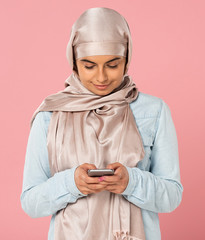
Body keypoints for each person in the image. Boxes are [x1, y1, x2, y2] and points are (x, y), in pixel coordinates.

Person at [20, 7, 183, 240]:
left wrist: (132, 182)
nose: (101, 77)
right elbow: (30, 202)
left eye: (113, 64)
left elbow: (172, 195)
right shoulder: (50, 114)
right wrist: (71, 183)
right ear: (74, 62)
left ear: (127, 59)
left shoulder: (154, 111)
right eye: (89, 65)